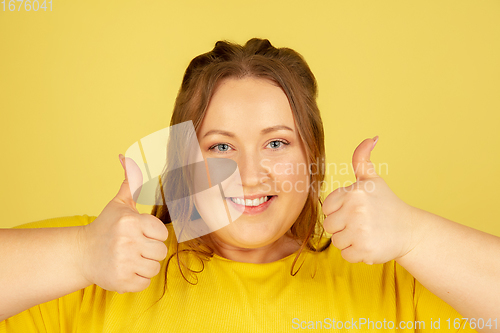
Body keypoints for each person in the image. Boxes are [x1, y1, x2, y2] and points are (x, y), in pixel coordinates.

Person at [0, 38, 498, 333]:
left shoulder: (390, 279)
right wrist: (79, 254)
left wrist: (417, 236)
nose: (250, 173)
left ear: (313, 154)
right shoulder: (95, 269)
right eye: (220, 147)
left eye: (277, 143)